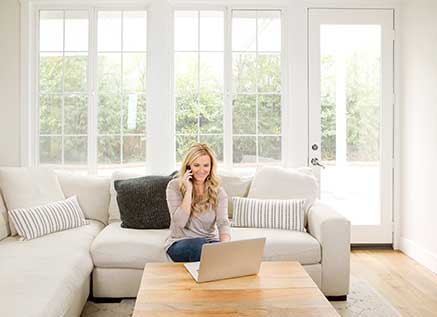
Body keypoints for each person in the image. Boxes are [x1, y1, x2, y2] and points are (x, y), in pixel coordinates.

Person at [164, 143, 231, 262]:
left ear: (211, 167)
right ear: (188, 166)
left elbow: (223, 222)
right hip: (180, 242)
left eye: (206, 165)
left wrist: (226, 246)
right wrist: (188, 190)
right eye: (196, 165)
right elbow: (179, 222)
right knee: (199, 246)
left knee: (224, 251)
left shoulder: (218, 191)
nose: (201, 170)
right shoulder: (174, 186)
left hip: (209, 241)